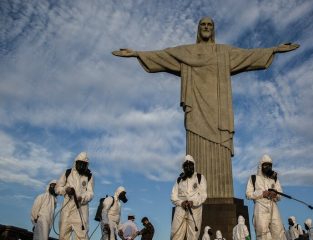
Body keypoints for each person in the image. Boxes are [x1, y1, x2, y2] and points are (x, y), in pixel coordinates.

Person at [112, 17, 299, 199]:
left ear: (214, 29)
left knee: (220, 150)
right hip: (196, 111)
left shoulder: (223, 52)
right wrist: (137, 53)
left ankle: (221, 193)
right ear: (198, 28)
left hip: (219, 112)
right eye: (203, 24)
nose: (206, 27)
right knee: (195, 151)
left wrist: (274, 50)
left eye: (210, 24)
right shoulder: (187, 52)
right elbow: (163, 55)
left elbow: (248, 55)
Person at [246, 154, 286, 240]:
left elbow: (280, 194)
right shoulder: (253, 178)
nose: (268, 167)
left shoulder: (274, 179)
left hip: (273, 205)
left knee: (278, 230)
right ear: (261, 166)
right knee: (262, 233)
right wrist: (262, 193)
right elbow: (248, 194)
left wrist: (275, 194)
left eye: (270, 165)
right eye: (265, 165)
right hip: (260, 206)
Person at [56, 151, 94, 240]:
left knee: (82, 236)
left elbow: (90, 193)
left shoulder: (89, 176)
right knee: (63, 236)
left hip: (81, 210)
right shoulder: (68, 173)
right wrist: (66, 189)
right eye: (80, 163)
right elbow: (58, 188)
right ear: (76, 162)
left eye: (84, 164)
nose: (81, 166)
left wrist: (82, 198)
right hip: (67, 210)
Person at [170, 155, 207, 240]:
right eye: (185, 166)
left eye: (190, 165)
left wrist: (193, 202)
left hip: (195, 210)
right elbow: (173, 196)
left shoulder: (200, 178)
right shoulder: (179, 180)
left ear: (194, 165)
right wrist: (181, 203)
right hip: (180, 209)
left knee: (193, 235)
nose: (188, 167)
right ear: (183, 167)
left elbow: (203, 195)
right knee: (176, 234)